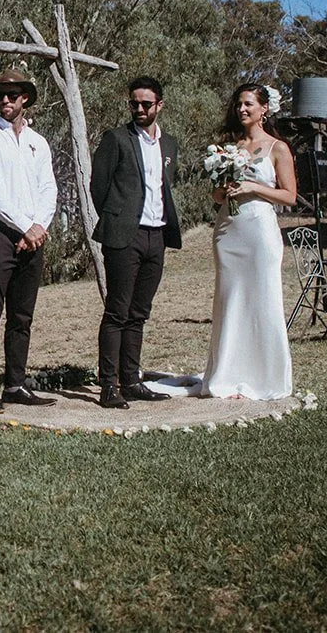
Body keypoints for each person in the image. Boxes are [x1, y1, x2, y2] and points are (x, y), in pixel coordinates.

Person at [0, 70, 58, 414]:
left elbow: (48, 188)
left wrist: (39, 227)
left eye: (12, 95)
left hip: (33, 236)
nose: (5, 100)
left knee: (22, 315)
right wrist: (25, 227)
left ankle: (15, 385)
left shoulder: (38, 142)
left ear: (25, 99)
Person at [89, 76, 182, 409]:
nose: (139, 109)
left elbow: (165, 186)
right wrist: (118, 217)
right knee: (117, 311)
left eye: (146, 103)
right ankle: (108, 385)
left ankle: (131, 381)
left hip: (157, 235)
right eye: (134, 103)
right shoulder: (116, 139)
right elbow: (98, 186)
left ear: (160, 105)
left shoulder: (169, 144)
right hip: (124, 235)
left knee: (139, 313)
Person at [203, 83, 296, 401]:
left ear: (263, 109)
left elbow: (290, 196)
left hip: (260, 233)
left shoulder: (278, 148)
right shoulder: (228, 148)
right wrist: (223, 189)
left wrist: (253, 188)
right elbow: (217, 197)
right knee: (230, 300)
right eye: (238, 104)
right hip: (229, 232)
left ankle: (265, 378)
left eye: (248, 104)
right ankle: (227, 375)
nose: (241, 109)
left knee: (262, 299)